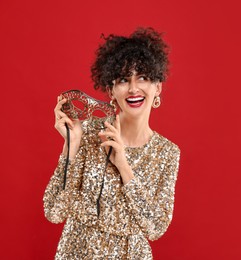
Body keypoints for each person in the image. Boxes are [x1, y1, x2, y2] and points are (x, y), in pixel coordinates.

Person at [43, 27, 181, 259]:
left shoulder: (167, 152)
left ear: (157, 87)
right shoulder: (86, 134)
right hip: (76, 252)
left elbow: (156, 228)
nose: (134, 88)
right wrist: (72, 146)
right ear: (110, 90)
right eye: (124, 80)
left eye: (143, 78)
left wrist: (124, 167)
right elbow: (54, 212)